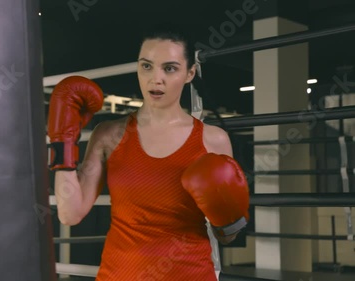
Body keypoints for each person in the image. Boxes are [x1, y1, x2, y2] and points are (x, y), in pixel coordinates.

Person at [47, 23, 249, 280]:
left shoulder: (213, 140)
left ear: (190, 73)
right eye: (147, 66)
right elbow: (70, 214)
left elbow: (227, 236)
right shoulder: (109, 134)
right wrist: (61, 143)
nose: (156, 78)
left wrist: (227, 216)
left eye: (170, 68)